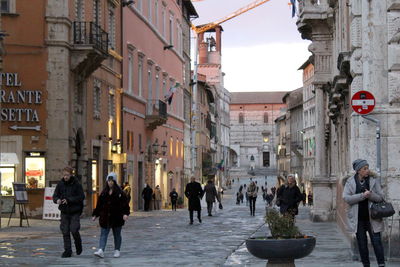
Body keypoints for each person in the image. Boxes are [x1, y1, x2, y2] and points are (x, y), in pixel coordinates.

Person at [343, 159, 385, 267]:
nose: (367, 170)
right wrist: (362, 196)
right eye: (364, 168)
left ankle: (381, 264)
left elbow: (381, 198)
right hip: (358, 219)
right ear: (358, 170)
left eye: (367, 168)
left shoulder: (373, 180)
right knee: (362, 244)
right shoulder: (350, 182)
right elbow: (346, 198)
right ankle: (366, 264)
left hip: (373, 217)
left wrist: (370, 195)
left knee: (377, 242)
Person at [92, 172, 130, 258]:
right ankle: (101, 250)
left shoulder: (120, 193)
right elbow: (99, 205)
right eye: (109, 181)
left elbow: (125, 205)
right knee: (103, 234)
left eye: (112, 181)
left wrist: (125, 214)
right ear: (107, 181)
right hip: (105, 217)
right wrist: (95, 214)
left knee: (117, 234)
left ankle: (117, 250)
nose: (110, 182)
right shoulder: (103, 192)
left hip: (117, 217)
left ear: (115, 182)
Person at [53, 166, 85, 258]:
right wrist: (57, 200)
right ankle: (67, 251)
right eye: (64, 175)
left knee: (74, 229)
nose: (65, 177)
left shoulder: (76, 184)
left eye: (67, 175)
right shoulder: (60, 184)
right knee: (65, 231)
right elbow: (55, 196)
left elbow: (81, 197)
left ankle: (78, 244)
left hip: (75, 211)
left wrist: (69, 200)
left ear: (71, 175)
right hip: (64, 211)